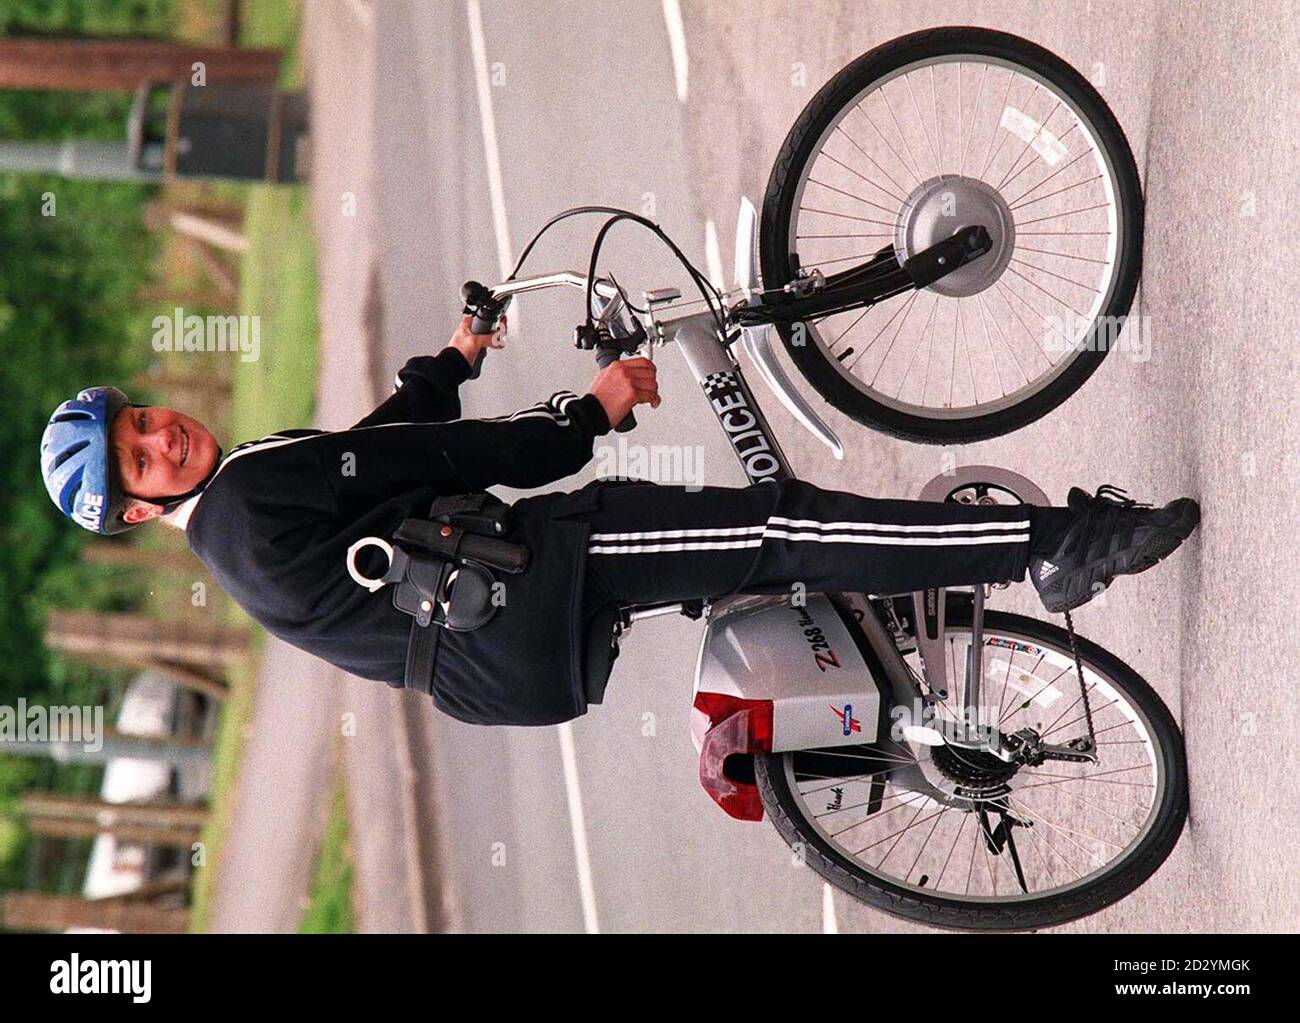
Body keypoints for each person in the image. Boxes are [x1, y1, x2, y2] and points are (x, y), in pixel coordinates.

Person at [40, 318, 1200, 726]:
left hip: (498, 648)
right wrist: (583, 413)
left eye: (142, 420)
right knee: (770, 528)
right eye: (141, 458)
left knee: (746, 547)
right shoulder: (239, 501)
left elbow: (376, 457)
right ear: (141, 509)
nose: (160, 438)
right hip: (539, 579)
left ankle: (894, 669)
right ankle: (1055, 548)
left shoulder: (237, 512)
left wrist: (445, 363)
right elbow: (439, 457)